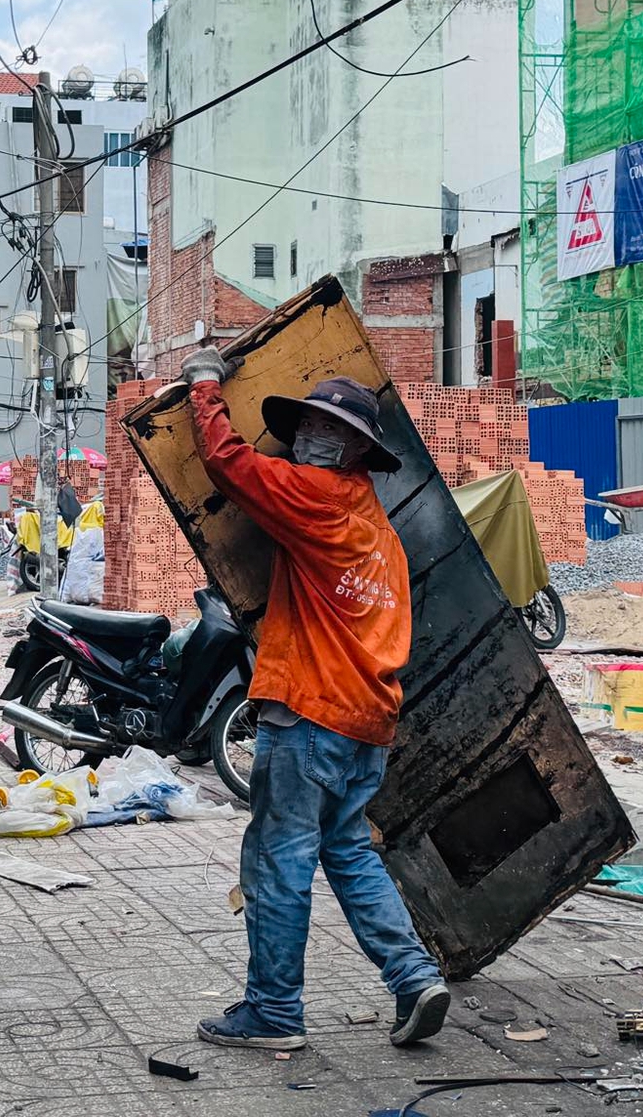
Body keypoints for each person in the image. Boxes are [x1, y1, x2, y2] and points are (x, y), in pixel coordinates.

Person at [179, 349, 449, 1052]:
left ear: (355, 447)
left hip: (312, 714)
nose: (307, 438)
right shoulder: (372, 522)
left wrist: (204, 384)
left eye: (323, 428)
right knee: (348, 852)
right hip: (368, 719)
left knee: (279, 857)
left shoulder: (315, 496)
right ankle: (414, 978)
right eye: (308, 425)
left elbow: (228, 462)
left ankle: (273, 1012)